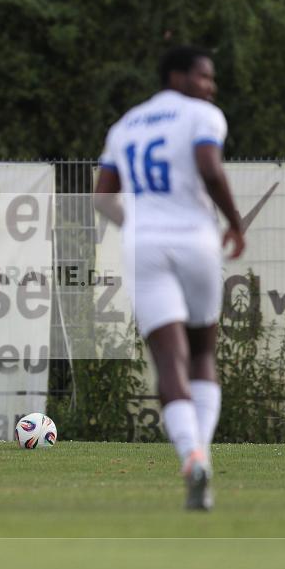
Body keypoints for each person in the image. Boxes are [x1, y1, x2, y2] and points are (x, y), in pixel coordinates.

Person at [94, 46, 245, 510]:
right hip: (196, 240)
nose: (210, 86)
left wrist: (138, 226)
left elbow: (102, 197)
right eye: (204, 76)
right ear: (177, 76)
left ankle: (191, 455)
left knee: (167, 360)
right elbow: (209, 167)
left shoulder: (125, 125)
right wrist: (235, 222)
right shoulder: (202, 115)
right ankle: (203, 457)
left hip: (145, 246)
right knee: (201, 353)